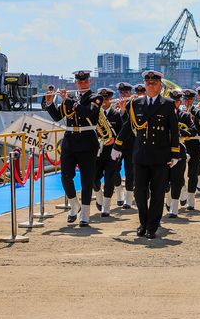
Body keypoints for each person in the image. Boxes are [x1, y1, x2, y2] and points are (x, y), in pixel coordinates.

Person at [111, 70, 180, 239]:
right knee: (139, 193)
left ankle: (152, 226)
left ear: (159, 85)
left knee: (157, 193)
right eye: (148, 83)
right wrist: (117, 146)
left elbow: (174, 130)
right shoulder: (136, 104)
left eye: (154, 83)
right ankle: (143, 222)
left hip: (160, 155)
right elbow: (128, 126)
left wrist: (175, 153)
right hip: (140, 154)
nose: (150, 85)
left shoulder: (168, 104)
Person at [43, 70, 102, 227]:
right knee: (65, 176)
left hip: (88, 141)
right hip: (69, 141)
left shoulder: (95, 97)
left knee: (86, 180)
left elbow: (88, 112)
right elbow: (57, 116)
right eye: (79, 81)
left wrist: (70, 102)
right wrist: (50, 102)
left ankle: (85, 213)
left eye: (85, 81)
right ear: (76, 83)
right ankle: (74, 204)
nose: (82, 84)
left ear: (89, 82)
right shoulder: (71, 98)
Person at [165, 90, 197, 217]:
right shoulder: (162, 114)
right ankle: (169, 198)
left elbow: (193, 130)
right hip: (163, 150)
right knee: (163, 180)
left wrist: (181, 133)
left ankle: (174, 208)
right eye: (173, 101)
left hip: (179, 149)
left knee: (176, 179)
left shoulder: (184, 116)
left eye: (177, 101)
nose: (175, 103)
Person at [93, 88, 122, 216]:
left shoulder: (116, 115)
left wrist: (118, 147)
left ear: (110, 99)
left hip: (111, 152)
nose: (103, 102)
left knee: (110, 179)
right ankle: (98, 195)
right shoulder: (93, 113)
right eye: (102, 99)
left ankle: (106, 206)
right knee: (94, 178)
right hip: (96, 151)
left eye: (106, 99)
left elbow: (121, 132)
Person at [181, 89, 200, 210]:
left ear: (193, 100)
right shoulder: (179, 111)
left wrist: (195, 119)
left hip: (194, 143)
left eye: (190, 99)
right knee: (179, 172)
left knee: (193, 173)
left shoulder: (198, 112)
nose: (187, 101)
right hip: (182, 144)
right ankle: (183, 190)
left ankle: (191, 199)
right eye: (185, 99)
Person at [115, 82, 135, 209]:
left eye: (126, 92)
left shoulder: (134, 105)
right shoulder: (115, 107)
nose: (123, 95)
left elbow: (130, 124)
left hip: (131, 144)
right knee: (113, 171)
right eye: (121, 92)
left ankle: (128, 198)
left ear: (130, 93)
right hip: (117, 145)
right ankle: (119, 193)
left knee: (130, 172)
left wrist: (123, 110)